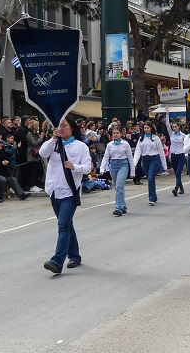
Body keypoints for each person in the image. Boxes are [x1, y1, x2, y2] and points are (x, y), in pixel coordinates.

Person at [40, 116, 92, 274]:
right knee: (67, 224)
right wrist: (52, 139)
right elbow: (42, 153)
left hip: (69, 191)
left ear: (72, 128)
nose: (61, 129)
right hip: (54, 190)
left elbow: (88, 167)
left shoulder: (80, 146)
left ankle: (57, 261)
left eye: (64, 126)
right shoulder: (54, 144)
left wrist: (74, 166)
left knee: (63, 225)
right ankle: (74, 255)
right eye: (59, 127)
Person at [99, 125, 135, 216]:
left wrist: (132, 171)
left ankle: (118, 207)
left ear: (121, 134)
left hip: (123, 164)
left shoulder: (125, 144)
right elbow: (106, 157)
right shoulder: (109, 145)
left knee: (119, 185)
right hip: (113, 165)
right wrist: (102, 168)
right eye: (114, 133)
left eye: (117, 133)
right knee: (118, 187)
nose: (115, 135)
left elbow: (130, 158)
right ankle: (123, 206)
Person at [133, 120, 167, 206]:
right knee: (149, 178)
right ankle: (154, 196)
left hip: (154, 159)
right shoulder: (141, 138)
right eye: (144, 128)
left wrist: (164, 165)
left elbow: (161, 152)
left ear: (151, 128)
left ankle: (151, 198)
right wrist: (134, 163)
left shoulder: (156, 138)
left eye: (147, 128)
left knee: (151, 177)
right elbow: (138, 151)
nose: (146, 129)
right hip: (145, 159)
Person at [165, 108, 186, 196]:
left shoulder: (183, 135)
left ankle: (176, 188)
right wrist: (167, 114)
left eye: (175, 127)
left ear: (179, 127)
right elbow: (167, 124)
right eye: (173, 127)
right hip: (173, 155)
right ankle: (181, 187)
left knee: (178, 172)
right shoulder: (171, 134)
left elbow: (186, 145)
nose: (174, 128)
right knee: (176, 172)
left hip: (181, 154)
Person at [25, 119, 45, 192]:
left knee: (37, 170)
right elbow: (34, 143)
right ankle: (32, 185)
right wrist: (41, 138)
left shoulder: (35, 133)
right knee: (33, 170)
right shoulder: (29, 134)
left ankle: (36, 184)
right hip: (32, 154)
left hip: (37, 156)